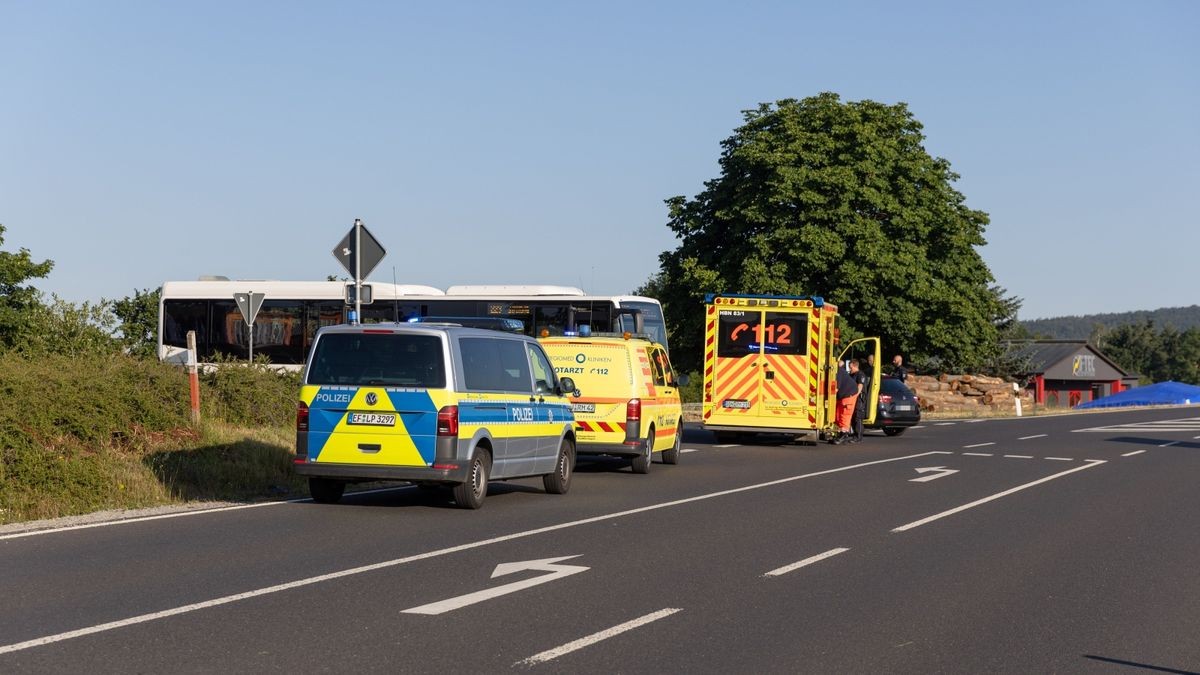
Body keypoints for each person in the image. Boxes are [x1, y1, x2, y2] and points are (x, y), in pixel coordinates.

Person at [832, 359, 860, 444]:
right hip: (844, 395)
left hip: (849, 394)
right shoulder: (836, 371)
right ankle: (840, 433)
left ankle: (844, 434)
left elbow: (836, 388)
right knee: (837, 414)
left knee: (845, 414)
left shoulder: (838, 372)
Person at [852, 358, 868, 442]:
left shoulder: (860, 374)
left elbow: (860, 386)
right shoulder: (852, 374)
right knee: (853, 417)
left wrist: (855, 395)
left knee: (858, 417)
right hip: (853, 398)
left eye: (851, 367)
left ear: (855, 365)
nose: (850, 369)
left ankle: (858, 437)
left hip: (859, 399)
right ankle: (855, 435)